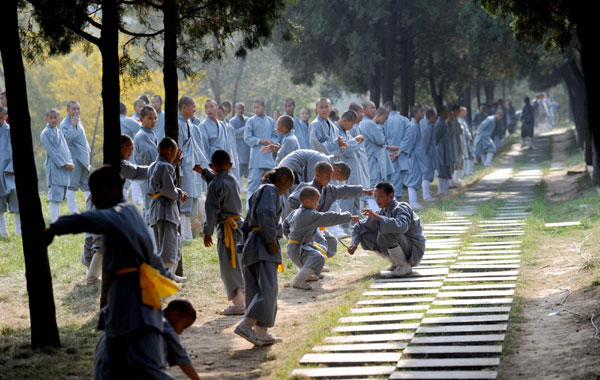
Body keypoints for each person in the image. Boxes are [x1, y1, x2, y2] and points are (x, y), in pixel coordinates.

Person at [44, 165, 179, 379]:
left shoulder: (119, 215)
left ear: (114, 190)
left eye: (97, 192)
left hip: (131, 302)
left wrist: (54, 229)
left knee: (146, 368)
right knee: (110, 364)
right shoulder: (131, 213)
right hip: (132, 301)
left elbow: (87, 220)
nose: (94, 198)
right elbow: (153, 257)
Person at [234, 166, 294, 346]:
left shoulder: (257, 192)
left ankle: (261, 331)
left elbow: (246, 224)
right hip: (262, 244)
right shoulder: (270, 190)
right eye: (287, 186)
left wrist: (244, 246)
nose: (286, 191)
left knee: (256, 290)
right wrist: (270, 240)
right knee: (269, 290)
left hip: (252, 244)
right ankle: (246, 325)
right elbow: (265, 214)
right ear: (282, 178)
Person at [96, 299, 200, 380]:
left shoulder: (117, 318)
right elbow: (182, 359)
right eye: (183, 326)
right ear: (174, 315)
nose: (180, 332)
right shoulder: (162, 325)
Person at [288, 161, 371, 258]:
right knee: (320, 243)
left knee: (331, 242)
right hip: (303, 226)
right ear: (317, 175)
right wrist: (303, 213)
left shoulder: (328, 189)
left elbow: (343, 190)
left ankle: (315, 264)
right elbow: (292, 200)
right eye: (327, 176)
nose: (329, 179)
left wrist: (363, 191)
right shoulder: (306, 188)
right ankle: (310, 266)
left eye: (330, 176)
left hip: (315, 225)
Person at [283, 186, 358, 290]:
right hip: (298, 249)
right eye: (317, 200)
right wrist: (348, 217)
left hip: (296, 247)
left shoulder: (294, 212)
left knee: (321, 248)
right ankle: (298, 280)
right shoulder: (308, 214)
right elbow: (327, 217)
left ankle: (308, 274)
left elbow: (285, 226)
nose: (318, 203)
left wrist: (290, 238)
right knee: (318, 257)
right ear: (308, 201)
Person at [348, 181, 425, 277]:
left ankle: (404, 265)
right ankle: (396, 262)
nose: (377, 200)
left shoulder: (402, 207)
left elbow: (402, 226)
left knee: (386, 229)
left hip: (414, 251)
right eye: (375, 196)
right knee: (364, 234)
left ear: (391, 196)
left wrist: (378, 218)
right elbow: (359, 226)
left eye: (380, 196)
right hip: (403, 247)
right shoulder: (381, 211)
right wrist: (354, 244)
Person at [201, 150, 245, 315]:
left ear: (211, 166)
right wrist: (204, 173)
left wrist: (207, 232)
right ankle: (245, 302)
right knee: (240, 264)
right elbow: (219, 181)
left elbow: (211, 210)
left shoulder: (214, 185)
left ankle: (239, 305)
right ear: (231, 166)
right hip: (239, 227)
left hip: (226, 230)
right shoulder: (233, 179)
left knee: (229, 266)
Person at [149, 137, 189, 282]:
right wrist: (180, 193)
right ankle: (166, 279)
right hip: (165, 210)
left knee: (170, 242)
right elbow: (168, 190)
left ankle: (170, 275)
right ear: (168, 150)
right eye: (175, 150)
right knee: (168, 246)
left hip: (157, 209)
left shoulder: (154, 165)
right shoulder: (165, 166)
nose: (176, 154)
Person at [178, 96, 209, 242]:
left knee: (192, 198)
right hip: (184, 165)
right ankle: (183, 234)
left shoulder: (189, 124)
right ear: (184, 107)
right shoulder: (178, 124)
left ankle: (188, 233)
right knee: (185, 198)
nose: (195, 109)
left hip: (192, 165)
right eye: (193, 106)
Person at [40, 108, 74, 224]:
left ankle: (57, 221)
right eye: (51, 118)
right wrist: (64, 163)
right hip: (55, 167)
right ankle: (54, 222)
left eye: (55, 117)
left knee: (60, 196)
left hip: (65, 167)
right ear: (46, 119)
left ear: (59, 118)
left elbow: (66, 149)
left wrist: (70, 161)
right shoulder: (45, 133)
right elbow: (52, 151)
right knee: (55, 196)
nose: (53, 120)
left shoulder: (59, 131)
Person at [361, 103, 396, 209]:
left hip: (371, 160)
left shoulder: (367, 124)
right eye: (371, 107)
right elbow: (380, 140)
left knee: (371, 189)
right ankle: (376, 215)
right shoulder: (368, 124)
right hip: (373, 162)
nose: (374, 110)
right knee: (374, 189)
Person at [60, 100, 91, 214]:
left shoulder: (78, 120)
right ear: (67, 110)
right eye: (74, 109)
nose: (76, 111)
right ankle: (74, 213)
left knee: (87, 186)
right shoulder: (65, 123)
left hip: (83, 159)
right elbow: (65, 139)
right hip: (74, 159)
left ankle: (91, 210)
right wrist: (73, 125)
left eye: (78, 108)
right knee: (71, 186)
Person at [243, 98, 277, 199]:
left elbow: (276, 135)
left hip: (269, 156)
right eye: (254, 108)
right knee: (253, 182)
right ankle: (250, 205)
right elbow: (247, 137)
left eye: (258, 107)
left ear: (264, 107)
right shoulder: (251, 121)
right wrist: (260, 141)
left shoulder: (271, 121)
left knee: (270, 181)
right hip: (256, 156)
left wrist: (272, 142)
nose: (256, 110)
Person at [335, 110, 364, 217]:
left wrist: (355, 140)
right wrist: (355, 141)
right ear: (345, 120)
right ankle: (346, 222)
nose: (352, 128)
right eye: (351, 124)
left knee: (356, 193)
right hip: (345, 167)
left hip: (353, 167)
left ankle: (356, 217)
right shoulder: (336, 131)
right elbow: (342, 147)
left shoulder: (345, 131)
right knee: (348, 195)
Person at [134, 105, 159, 225]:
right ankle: (149, 235)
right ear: (141, 119)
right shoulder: (142, 136)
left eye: (155, 118)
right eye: (150, 118)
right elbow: (151, 157)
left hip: (151, 175)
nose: (153, 121)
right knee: (149, 205)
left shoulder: (150, 133)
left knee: (150, 204)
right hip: (147, 175)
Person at [383, 101, 409, 200]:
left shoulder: (384, 120)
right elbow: (409, 136)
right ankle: (394, 205)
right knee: (397, 182)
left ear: (388, 108)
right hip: (399, 156)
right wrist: (400, 149)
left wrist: (386, 150)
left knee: (385, 182)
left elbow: (379, 138)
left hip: (386, 155)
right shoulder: (404, 120)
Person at [0, 107, 20, 237]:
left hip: (10, 172)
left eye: (1, 117)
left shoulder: (10, 131)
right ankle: (3, 232)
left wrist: (12, 168)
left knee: (16, 202)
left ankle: (20, 231)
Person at [401, 105, 425, 209]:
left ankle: (414, 202)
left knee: (416, 177)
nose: (423, 113)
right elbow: (410, 144)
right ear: (415, 114)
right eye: (421, 111)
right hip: (413, 157)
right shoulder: (413, 126)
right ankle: (413, 202)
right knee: (412, 178)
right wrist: (408, 156)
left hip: (417, 156)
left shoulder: (417, 125)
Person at [348, 102, 371, 204]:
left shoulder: (357, 126)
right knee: (358, 187)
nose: (363, 114)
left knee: (363, 185)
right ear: (354, 113)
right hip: (355, 162)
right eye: (361, 111)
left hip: (361, 161)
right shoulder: (351, 128)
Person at [419, 109, 438, 202]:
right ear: (431, 117)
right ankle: (426, 195)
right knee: (427, 174)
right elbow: (426, 142)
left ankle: (427, 194)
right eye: (435, 117)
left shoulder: (428, 125)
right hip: (428, 154)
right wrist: (424, 155)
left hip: (429, 153)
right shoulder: (428, 127)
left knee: (429, 173)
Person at [434, 107, 453, 195]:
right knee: (441, 168)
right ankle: (441, 189)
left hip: (446, 149)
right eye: (446, 113)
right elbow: (436, 138)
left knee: (446, 168)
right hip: (441, 149)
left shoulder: (444, 123)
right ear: (441, 113)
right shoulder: (439, 124)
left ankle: (445, 188)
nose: (447, 115)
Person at [230, 103, 249, 184]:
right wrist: (245, 129)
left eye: (242, 108)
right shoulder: (232, 121)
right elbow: (233, 133)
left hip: (247, 146)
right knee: (239, 166)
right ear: (235, 110)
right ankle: (239, 185)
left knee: (248, 167)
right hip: (238, 146)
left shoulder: (247, 120)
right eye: (239, 108)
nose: (240, 110)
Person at [459, 107, 475, 176]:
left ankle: (467, 172)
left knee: (469, 156)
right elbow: (465, 131)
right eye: (465, 111)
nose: (466, 113)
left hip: (466, 141)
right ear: (461, 112)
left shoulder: (463, 119)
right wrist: (470, 138)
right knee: (468, 156)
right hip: (465, 141)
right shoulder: (460, 120)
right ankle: (467, 172)